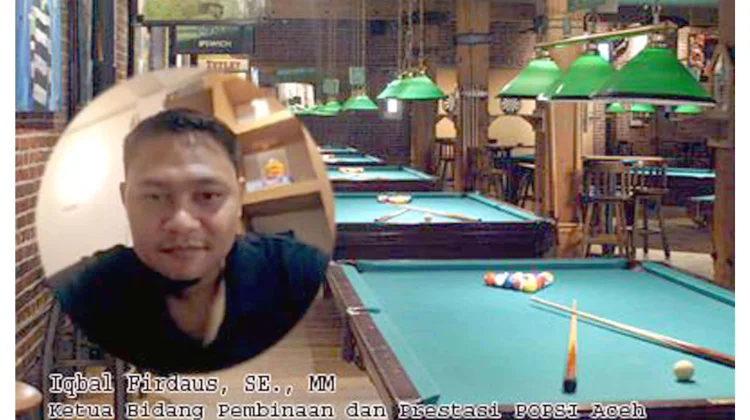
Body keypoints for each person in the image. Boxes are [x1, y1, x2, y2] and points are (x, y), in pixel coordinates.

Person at [50, 108, 330, 373]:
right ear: (125, 200)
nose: (181, 222)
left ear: (239, 197)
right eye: (154, 197)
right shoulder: (89, 285)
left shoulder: (293, 271)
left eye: (207, 195)